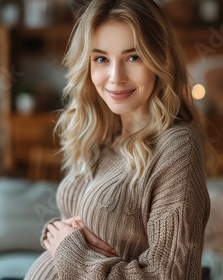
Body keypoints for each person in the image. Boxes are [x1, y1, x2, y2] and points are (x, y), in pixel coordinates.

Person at [25, 0, 212, 279]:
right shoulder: (101, 135)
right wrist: (57, 232)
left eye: (133, 57)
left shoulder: (175, 146)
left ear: (160, 59)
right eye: (101, 58)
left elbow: (170, 275)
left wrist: (69, 251)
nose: (115, 77)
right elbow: (82, 229)